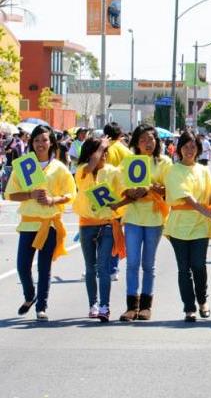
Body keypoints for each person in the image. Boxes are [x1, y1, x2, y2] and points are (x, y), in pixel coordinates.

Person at [6, 125, 76, 321]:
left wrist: (53, 200)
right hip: (29, 223)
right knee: (22, 266)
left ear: (51, 142)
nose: (40, 144)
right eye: (36, 140)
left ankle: (41, 307)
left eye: (44, 140)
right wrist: (30, 194)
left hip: (50, 224)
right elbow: (9, 194)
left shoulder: (59, 168)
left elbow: (71, 194)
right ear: (31, 143)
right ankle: (30, 295)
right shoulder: (23, 165)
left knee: (44, 268)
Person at [118, 124, 172, 322]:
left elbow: (169, 188)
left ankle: (146, 306)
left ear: (157, 141)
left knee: (148, 264)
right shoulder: (129, 161)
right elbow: (122, 185)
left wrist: (154, 188)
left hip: (155, 218)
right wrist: (130, 191)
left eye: (151, 139)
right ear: (136, 143)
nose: (147, 143)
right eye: (142, 140)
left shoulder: (164, 162)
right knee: (132, 263)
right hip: (132, 217)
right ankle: (131, 306)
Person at [74, 137, 130, 322]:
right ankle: (93, 304)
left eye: (105, 151)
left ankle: (105, 306)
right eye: (100, 151)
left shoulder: (113, 172)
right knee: (90, 268)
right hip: (87, 224)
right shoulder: (82, 171)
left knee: (104, 267)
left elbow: (123, 191)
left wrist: (121, 203)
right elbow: (90, 167)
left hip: (107, 224)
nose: (104, 155)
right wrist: (102, 145)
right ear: (91, 153)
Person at [165, 131, 211, 322]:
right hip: (179, 224)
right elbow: (186, 197)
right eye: (186, 146)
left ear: (198, 149)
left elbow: (210, 198)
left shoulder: (203, 170)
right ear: (179, 149)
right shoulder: (173, 170)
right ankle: (189, 307)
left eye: (193, 146)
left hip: (200, 226)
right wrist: (206, 211)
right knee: (184, 268)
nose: (189, 150)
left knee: (199, 265)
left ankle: (202, 300)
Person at [103, 122, 133, 281]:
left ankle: (109, 266)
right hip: (125, 198)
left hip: (107, 198)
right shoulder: (127, 151)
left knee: (107, 235)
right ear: (120, 135)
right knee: (117, 233)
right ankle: (114, 266)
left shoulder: (106, 150)